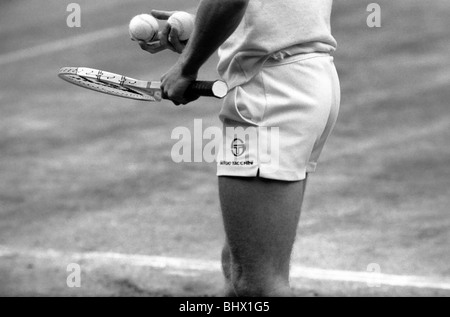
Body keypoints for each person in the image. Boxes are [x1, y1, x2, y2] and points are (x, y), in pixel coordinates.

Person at [138, 0, 340, 297]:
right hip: (309, 76)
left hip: (271, 93)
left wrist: (187, 66)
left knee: (257, 284)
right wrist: (205, 28)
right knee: (237, 264)